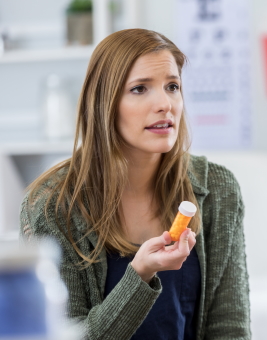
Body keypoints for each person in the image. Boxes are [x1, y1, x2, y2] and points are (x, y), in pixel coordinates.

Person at [19, 29, 250, 340]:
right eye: (140, 89)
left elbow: (229, 329)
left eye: (172, 86)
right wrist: (139, 275)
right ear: (105, 103)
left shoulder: (218, 189)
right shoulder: (51, 206)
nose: (165, 104)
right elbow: (64, 335)